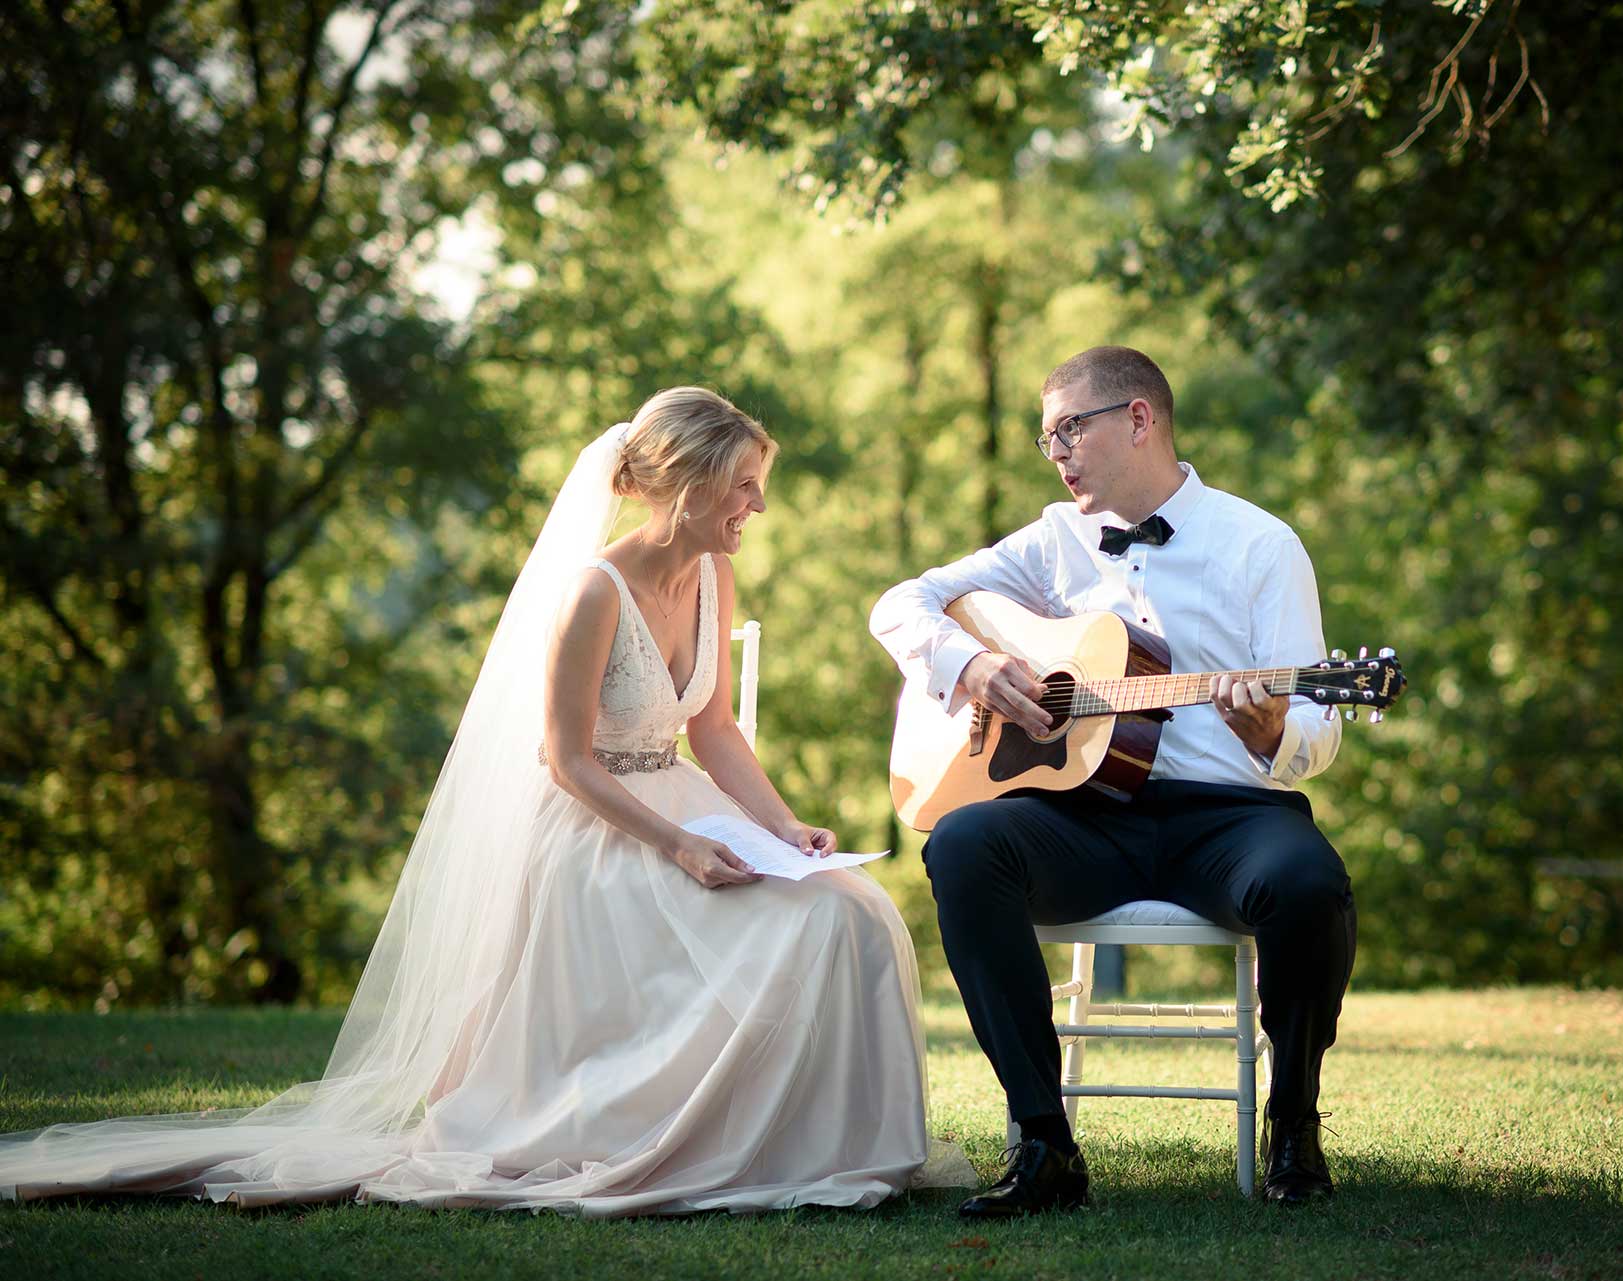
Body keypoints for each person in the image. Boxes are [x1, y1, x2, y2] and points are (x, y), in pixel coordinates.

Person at [2, 387, 970, 1215]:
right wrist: (678, 846)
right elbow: (563, 760)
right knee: (790, 933)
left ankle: (829, 1151)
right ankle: (698, 1140)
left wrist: (781, 826)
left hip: (684, 801)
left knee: (853, 909)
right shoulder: (594, 593)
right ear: (688, 483)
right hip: (595, 831)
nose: (757, 505)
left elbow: (713, 730)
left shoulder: (714, 571)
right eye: (745, 485)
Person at [870, 347, 1357, 1215]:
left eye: (1069, 429)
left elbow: (1319, 728)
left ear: (1139, 419)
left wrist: (1276, 726)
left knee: (1308, 881)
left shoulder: (1262, 545)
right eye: (1044, 436)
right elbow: (900, 603)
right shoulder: (1050, 540)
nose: (1055, 452)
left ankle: (1294, 1128)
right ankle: (1043, 1142)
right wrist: (973, 666)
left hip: (1230, 818)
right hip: (1084, 817)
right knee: (965, 842)